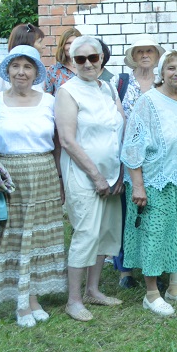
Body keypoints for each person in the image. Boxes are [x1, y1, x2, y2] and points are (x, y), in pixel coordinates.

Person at [0, 46, 67, 328]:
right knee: (14, 236)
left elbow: (58, 143)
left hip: (43, 173)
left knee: (38, 237)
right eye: (15, 66)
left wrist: (61, 178)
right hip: (8, 175)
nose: (21, 72)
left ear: (36, 72)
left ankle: (33, 297)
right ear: (7, 71)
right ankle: (22, 303)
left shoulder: (49, 101)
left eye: (27, 67)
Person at [121, 51, 177, 316]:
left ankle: (176, 287)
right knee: (155, 234)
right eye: (171, 68)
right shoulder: (149, 101)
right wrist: (138, 186)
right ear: (162, 72)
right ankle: (151, 294)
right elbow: (132, 147)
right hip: (154, 180)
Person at [55, 35, 126, 322]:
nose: (87, 64)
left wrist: (120, 172)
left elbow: (122, 129)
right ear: (72, 62)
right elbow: (68, 140)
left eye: (92, 58)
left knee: (106, 233)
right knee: (86, 233)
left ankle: (93, 290)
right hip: (84, 175)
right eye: (80, 59)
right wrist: (96, 176)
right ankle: (73, 300)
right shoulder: (67, 92)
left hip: (112, 173)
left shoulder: (108, 88)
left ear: (101, 59)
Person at [112, 34, 166, 288]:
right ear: (133, 57)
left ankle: (154, 262)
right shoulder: (119, 82)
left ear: (157, 57)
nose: (145, 55)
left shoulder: (164, 82)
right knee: (127, 211)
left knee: (155, 211)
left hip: (158, 159)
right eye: (140, 51)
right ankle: (125, 269)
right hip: (128, 157)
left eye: (150, 51)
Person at [0, 23, 47, 102]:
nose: (43, 46)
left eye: (27, 67)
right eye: (39, 42)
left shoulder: (36, 72)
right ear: (27, 43)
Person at [48, 27, 83, 94]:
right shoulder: (53, 71)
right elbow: (47, 97)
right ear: (62, 45)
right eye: (68, 43)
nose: (71, 46)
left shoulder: (87, 67)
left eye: (75, 43)